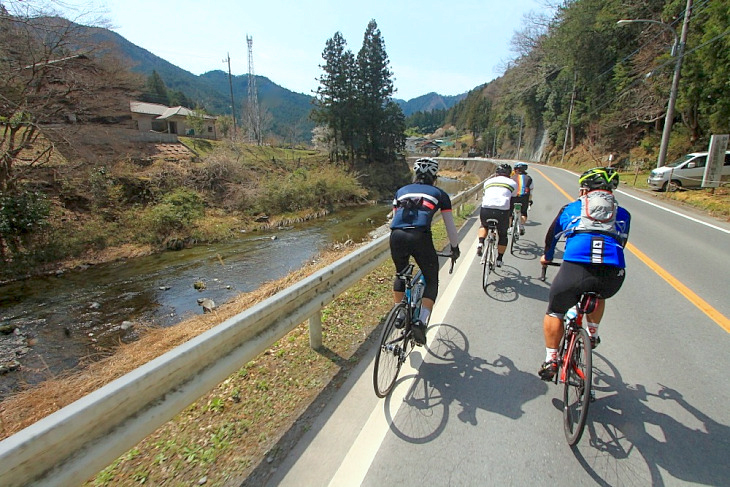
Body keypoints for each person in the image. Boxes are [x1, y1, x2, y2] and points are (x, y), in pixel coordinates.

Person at [538, 167, 631, 380]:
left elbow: (552, 237)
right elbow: (621, 242)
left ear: (584, 190)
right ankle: (592, 333)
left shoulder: (571, 208)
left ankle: (551, 359)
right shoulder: (624, 213)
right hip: (612, 272)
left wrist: (547, 257)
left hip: (576, 268)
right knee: (599, 294)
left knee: (555, 311)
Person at [389, 157, 461, 346]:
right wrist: (454, 248)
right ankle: (421, 322)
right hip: (420, 237)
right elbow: (450, 226)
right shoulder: (440, 193)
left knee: (401, 274)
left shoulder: (401, 191)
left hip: (396, 236)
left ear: (415, 174)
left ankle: (400, 313)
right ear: (434, 177)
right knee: (431, 279)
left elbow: (395, 216)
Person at [476, 163, 517, 267]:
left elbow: (486, 194)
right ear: (509, 174)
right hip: (502, 211)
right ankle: (499, 259)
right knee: (503, 234)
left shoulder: (488, 181)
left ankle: (480, 242)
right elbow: (513, 197)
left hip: (486, 209)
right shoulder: (512, 183)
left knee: (484, 225)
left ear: (496, 173)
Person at [510, 162, 534, 235]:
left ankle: (510, 227)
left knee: (509, 213)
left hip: (513, 197)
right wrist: (530, 201)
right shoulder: (529, 178)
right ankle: (521, 226)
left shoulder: (512, 178)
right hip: (524, 197)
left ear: (515, 170)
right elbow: (531, 191)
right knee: (523, 213)